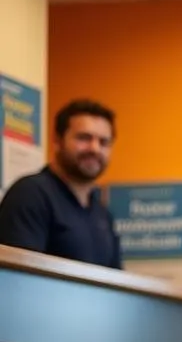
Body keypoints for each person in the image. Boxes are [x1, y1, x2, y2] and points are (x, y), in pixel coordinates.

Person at [0, 98, 122, 269]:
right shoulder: (30, 195)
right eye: (84, 138)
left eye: (104, 142)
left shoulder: (102, 215)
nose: (95, 149)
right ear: (57, 141)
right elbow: (19, 279)